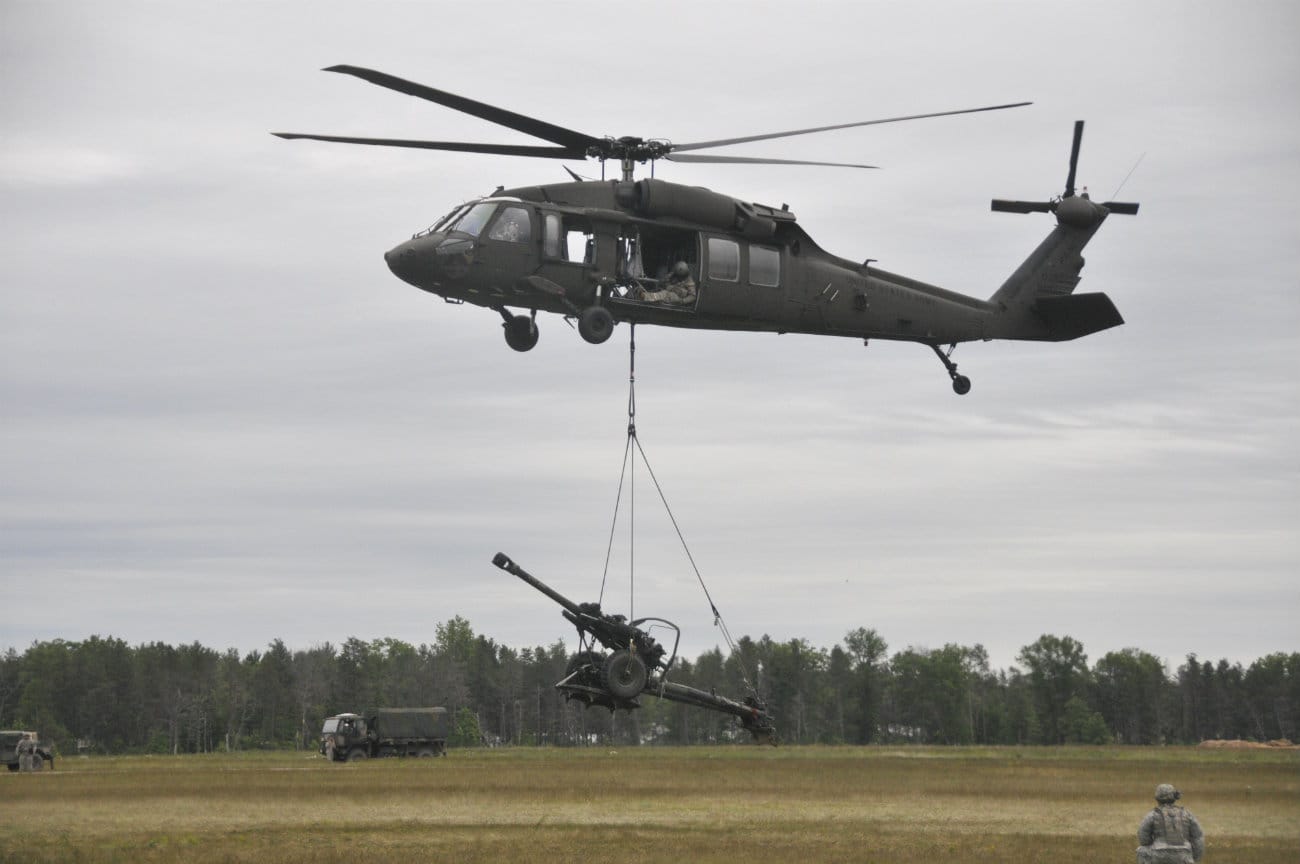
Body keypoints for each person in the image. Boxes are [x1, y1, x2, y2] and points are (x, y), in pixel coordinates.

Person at [1137, 784, 1205, 864]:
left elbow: (1143, 837)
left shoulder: (1153, 815)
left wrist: (1152, 844)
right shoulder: (1187, 814)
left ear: (1157, 798)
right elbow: (1198, 837)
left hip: (1159, 855)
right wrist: (1194, 857)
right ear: (1174, 797)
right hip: (1184, 855)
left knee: (1142, 850)